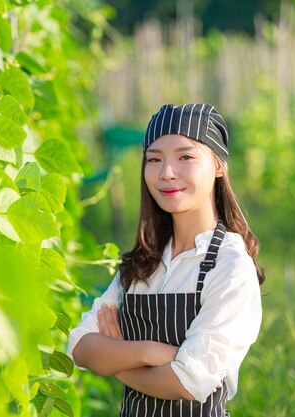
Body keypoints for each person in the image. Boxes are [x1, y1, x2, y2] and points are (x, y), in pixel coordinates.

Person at [67, 103, 264, 416]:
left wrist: (117, 363)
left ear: (218, 165)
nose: (166, 173)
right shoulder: (143, 262)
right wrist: (151, 351)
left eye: (185, 157)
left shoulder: (229, 265)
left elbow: (188, 382)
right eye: (154, 159)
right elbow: (79, 346)